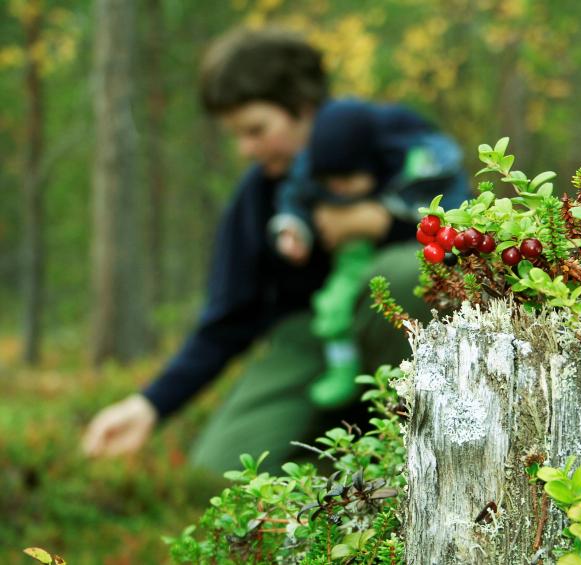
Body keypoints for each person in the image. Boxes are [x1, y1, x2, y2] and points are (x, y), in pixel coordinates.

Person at [81, 27, 468, 474]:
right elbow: (229, 319)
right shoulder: (259, 196)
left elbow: (464, 232)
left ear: (304, 109)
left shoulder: (395, 141)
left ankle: (425, 453)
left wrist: (386, 221)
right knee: (222, 479)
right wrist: (150, 404)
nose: (246, 148)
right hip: (307, 343)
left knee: (407, 274)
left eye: (255, 129)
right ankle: (347, 490)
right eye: (236, 135)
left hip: (399, 332)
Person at [271, 99, 468, 408]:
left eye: (347, 179)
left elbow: (450, 222)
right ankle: (346, 376)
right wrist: (293, 229)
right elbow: (294, 199)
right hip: (347, 271)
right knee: (334, 310)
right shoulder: (310, 178)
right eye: (328, 182)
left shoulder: (422, 170)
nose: (337, 189)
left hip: (404, 278)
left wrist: (382, 223)